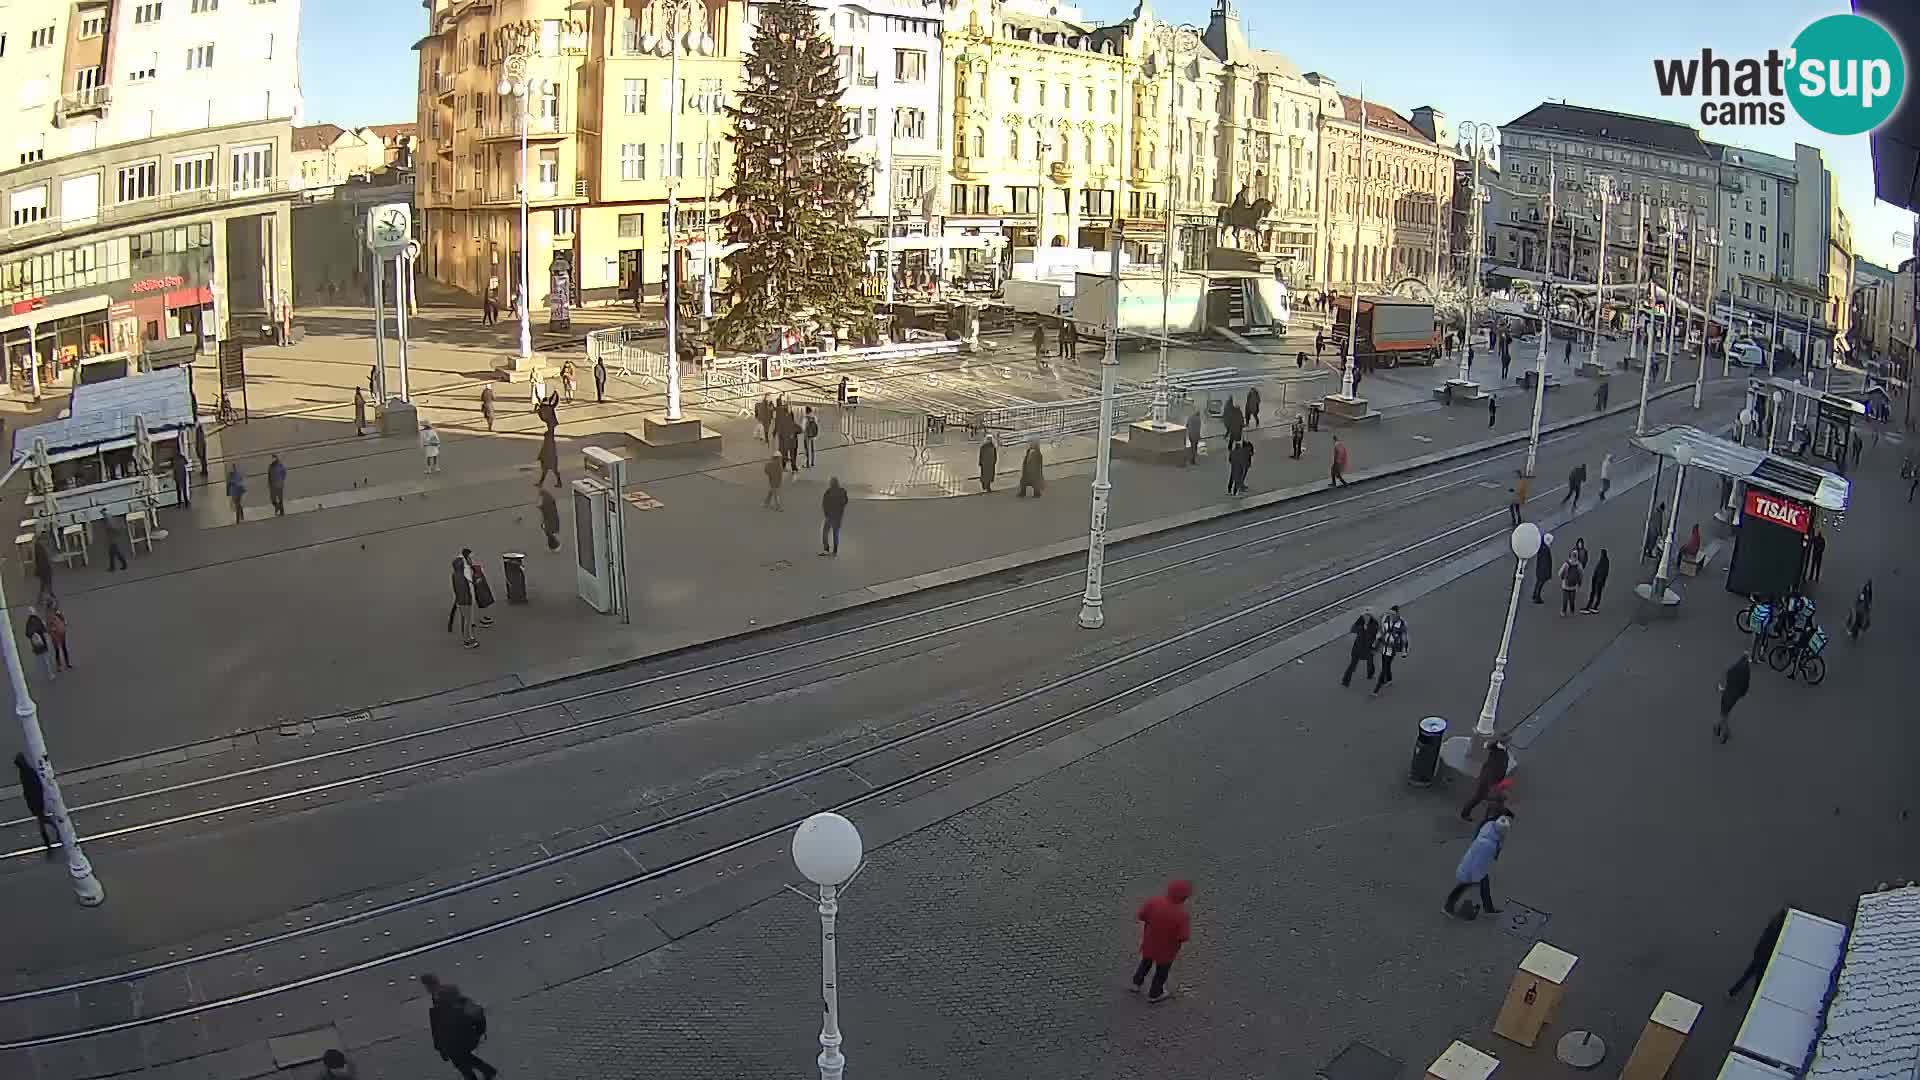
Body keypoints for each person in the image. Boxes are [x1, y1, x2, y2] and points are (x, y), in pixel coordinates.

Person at [419, 975, 496, 1080]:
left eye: (427, 985)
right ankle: (487, 1071)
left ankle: (485, 1072)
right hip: (463, 1035)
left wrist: (440, 1046)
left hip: (456, 1038)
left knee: (460, 1061)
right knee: (463, 1058)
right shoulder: (450, 997)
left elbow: (438, 1028)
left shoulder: (441, 1003)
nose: (427, 988)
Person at [1130, 880, 1192, 1004]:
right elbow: (1183, 936)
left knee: (1145, 963)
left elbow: (1141, 915)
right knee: (1161, 972)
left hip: (1150, 943)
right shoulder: (1182, 915)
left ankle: (1136, 983)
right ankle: (1155, 993)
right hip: (1167, 950)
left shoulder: (1154, 902)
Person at [1444, 810, 1511, 918]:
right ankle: (1447, 907)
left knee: (1483, 882)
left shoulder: (1489, 828)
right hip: (1473, 870)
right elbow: (1481, 862)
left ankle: (1488, 907)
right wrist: (1475, 878)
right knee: (1463, 886)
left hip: (1473, 866)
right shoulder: (1489, 845)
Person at [1727, 908, 1788, 998]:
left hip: (1759, 953)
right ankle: (1754, 1000)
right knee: (1758, 982)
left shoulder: (1772, 924)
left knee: (1748, 974)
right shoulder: (1778, 932)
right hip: (1765, 958)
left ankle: (1732, 992)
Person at [13, 752, 55, 855]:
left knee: (42, 820)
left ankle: (49, 839)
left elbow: (28, 788)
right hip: (36, 799)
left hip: (33, 801)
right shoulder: (28, 770)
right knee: (43, 819)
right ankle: (56, 831)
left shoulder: (24, 772)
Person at [1459, 738, 1510, 821]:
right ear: (1505, 743)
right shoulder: (1498, 750)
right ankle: (1465, 813)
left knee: (1493, 797)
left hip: (1492, 779)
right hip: (1488, 780)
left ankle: (1493, 807)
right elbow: (1498, 767)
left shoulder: (1500, 748)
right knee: (1478, 798)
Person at [1373, 605, 1408, 696]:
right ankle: (1389, 679)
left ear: (1397, 613)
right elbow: (1381, 632)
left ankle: (1376, 689)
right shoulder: (1385, 619)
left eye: (1393, 614)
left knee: (1384, 667)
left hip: (1393, 647)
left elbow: (1404, 637)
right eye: (1390, 614)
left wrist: (1404, 650)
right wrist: (1375, 643)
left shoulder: (1401, 623)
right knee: (1386, 664)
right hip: (1385, 645)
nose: (1391, 616)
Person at [1716, 654, 1751, 744]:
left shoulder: (1733, 670)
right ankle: (1718, 727)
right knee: (1726, 713)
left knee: (1724, 714)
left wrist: (1721, 688)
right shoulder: (1746, 674)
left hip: (1727, 694)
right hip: (1735, 697)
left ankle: (1725, 732)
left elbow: (1727, 676)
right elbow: (1745, 687)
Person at [1340, 612, 1379, 687]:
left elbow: (1377, 638)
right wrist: (1361, 628)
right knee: (1352, 665)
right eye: (1364, 616)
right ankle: (1345, 681)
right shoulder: (1360, 622)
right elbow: (1352, 629)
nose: (1365, 618)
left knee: (1370, 663)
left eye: (1367, 617)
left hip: (1368, 648)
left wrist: (1375, 648)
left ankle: (1370, 674)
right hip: (1358, 648)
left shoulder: (1374, 625)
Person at [449, 558, 478, 649]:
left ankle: (467, 636)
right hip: (465, 601)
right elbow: (464, 591)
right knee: (467, 621)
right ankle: (467, 640)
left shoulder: (455, 575)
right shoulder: (461, 577)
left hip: (460, 601)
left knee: (464, 619)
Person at [465, 549, 495, 629]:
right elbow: (468, 578)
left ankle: (482, 618)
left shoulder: (469, 566)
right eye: (470, 558)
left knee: (481, 600)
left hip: (474, 587)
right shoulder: (466, 569)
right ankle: (474, 622)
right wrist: (476, 579)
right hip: (470, 589)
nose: (472, 560)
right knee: (474, 604)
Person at [820, 476, 848, 556]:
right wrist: (841, 510)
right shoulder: (842, 491)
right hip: (838, 516)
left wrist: (826, 513)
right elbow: (845, 501)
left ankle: (826, 549)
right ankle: (835, 551)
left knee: (825, 532)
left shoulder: (828, 491)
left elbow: (824, 503)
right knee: (836, 533)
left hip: (829, 515)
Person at [24, 608, 52, 681]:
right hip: (42, 642)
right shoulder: (37, 619)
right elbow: (44, 629)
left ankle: (40, 675)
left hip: (35, 645)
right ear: (34, 612)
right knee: (46, 659)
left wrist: (33, 635)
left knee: (39, 660)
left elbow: (27, 634)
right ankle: (49, 674)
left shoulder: (28, 622)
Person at [1532, 536, 1553, 604]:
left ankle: (1535, 595)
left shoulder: (1541, 548)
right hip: (1543, 570)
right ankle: (1537, 597)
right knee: (1540, 584)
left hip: (1540, 569)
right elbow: (1546, 562)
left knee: (1538, 583)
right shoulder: (1545, 549)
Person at [31, 541, 53, 606]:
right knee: (46, 584)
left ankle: (42, 599)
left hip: (42, 569)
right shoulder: (40, 546)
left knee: (43, 584)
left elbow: (36, 560)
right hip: (45, 568)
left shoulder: (37, 546)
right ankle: (46, 598)